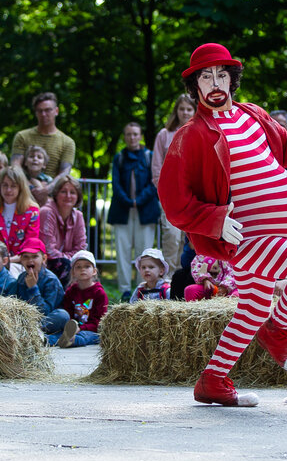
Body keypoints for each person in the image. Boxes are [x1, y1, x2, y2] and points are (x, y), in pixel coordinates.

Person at [159, 43, 287, 407]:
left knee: (252, 308)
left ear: (232, 79)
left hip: (276, 233)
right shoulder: (190, 135)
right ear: (195, 84)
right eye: (206, 76)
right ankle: (277, 328)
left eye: (222, 75)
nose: (215, 82)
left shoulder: (252, 114)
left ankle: (212, 380)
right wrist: (213, 221)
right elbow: (173, 201)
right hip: (244, 239)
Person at [108, 122, 160, 301]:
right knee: (122, 250)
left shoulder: (149, 156)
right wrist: (128, 201)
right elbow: (115, 183)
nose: (132, 137)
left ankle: (142, 287)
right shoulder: (119, 158)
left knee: (144, 250)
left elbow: (154, 181)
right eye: (129, 134)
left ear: (141, 136)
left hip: (145, 211)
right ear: (125, 136)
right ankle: (124, 288)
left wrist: (140, 200)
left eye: (135, 134)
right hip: (122, 210)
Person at [152, 94, 196, 278]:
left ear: (194, 111)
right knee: (171, 237)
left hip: (192, 197)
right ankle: (167, 281)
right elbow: (156, 166)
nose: (185, 112)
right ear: (176, 111)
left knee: (188, 239)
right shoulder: (164, 135)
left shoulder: (198, 132)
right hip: (170, 197)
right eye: (181, 109)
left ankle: (184, 280)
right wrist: (164, 191)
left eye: (189, 109)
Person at [11, 92, 76, 193]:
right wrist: (29, 186)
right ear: (36, 113)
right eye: (40, 111)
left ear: (56, 111)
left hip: (52, 193)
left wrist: (47, 189)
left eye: (48, 110)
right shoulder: (22, 136)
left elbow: (64, 172)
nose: (44, 114)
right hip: (23, 190)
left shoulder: (67, 142)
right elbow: (16, 165)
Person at [0, 166, 40, 277]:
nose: (8, 190)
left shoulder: (32, 211)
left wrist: (9, 260)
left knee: (11, 273)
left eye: (13, 186)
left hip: (22, 262)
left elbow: (31, 244)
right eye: (5, 185)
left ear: (20, 188)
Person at [47, 250, 107, 348]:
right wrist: (71, 326)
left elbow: (99, 322)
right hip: (72, 329)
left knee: (88, 337)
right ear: (73, 272)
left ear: (94, 271)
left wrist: (80, 328)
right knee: (60, 334)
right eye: (78, 267)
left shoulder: (99, 293)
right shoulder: (71, 291)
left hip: (91, 330)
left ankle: (72, 341)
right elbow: (68, 312)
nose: (82, 269)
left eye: (87, 266)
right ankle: (44, 339)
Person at [39, 175, 87, 288]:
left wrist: (69, 259)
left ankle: (86, 304)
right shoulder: (46, 212)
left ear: (78, 196)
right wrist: (70, 259)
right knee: (67, 266)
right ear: (56, 194)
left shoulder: (78, 216)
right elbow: (49, 250)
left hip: (68, 263)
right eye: (63, 192)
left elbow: (81, 248)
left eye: (72, 192)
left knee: (87, 268)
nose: (68, 196)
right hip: (47, 263)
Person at [14, 238, 69, 335]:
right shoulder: (21, 278)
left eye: (35, 256)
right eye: (25, 257)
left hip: (45, 321)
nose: (30, 260)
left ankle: (32, 333)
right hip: (26, 321)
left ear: (44, 259)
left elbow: (44, 312)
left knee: (63, 315)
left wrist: (33, 288)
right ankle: (33, 334)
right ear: (21, 259)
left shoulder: (51, 280)